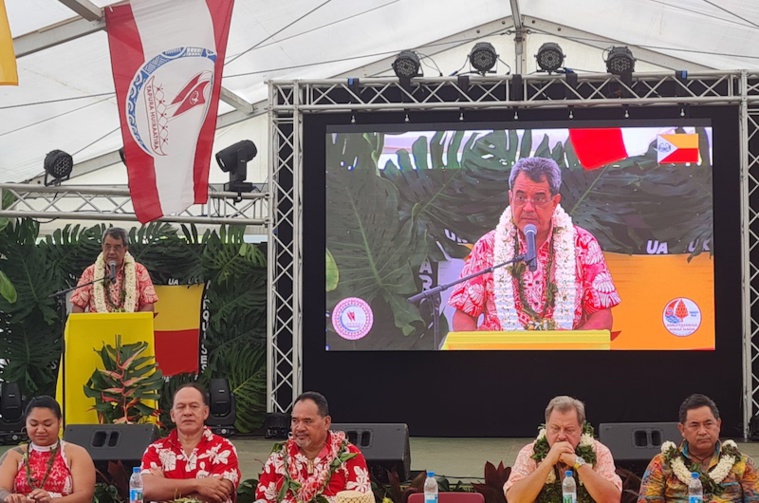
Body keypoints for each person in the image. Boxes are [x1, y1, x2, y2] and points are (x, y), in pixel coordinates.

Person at [448, 157, 620, 331]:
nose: (528, 207)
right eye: (521, 197)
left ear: (555, 202)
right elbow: (464, 315)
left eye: (539, 198)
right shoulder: (488, 246)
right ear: (510, 198)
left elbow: (602, 317)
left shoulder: (583, 244)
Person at [638, 393, 759, 503]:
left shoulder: (743, 464)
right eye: (694, 425)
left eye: (708, 424)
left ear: (718, 425)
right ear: (682, 429)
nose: (702, 432)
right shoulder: (662, 464)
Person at [255, 391, 371, 503]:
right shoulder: (279, 456)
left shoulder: (349, 456)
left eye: (307, 421)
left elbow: (360, 499)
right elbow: (264, 498)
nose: (299, 428)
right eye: (295, 421)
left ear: (326, 422)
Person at [505, 396, 622, 503]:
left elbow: (611, 500)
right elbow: (515, 500)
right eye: (555, 428)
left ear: (581, 429)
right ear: (546, 427)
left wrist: (578, 463)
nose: (561, 436)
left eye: (569, 430)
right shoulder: (529, 453)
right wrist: (548, 462)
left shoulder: (599, 452)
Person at [140, 383, 240, 503]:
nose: (187, 412)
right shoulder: (155, 450)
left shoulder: (223, 448)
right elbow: (147, 489)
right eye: (181, 407)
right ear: (172, 415)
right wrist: (197, 484)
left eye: (194, 406)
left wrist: (165, 489)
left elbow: (217, 495)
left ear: (205, 412)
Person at [0, 396, 95, 503]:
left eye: (47, 424)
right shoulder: (15, 455)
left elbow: (85, 496)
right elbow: (1, 489)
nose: (40, 430)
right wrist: (10, 497)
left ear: (60, 422)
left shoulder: (76, 454)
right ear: (25, 423)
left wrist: (52, 501)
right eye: (34, 424)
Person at [70, 227, 158, 313]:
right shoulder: (90, 272)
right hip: (98, 326)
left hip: (129, 326)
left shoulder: (139, 271)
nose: (111, 252)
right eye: (107, 247)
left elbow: (148, 305)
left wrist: (134, 325)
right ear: (102, 247)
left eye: (117, 247)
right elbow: (78, 306)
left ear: (125, 249)